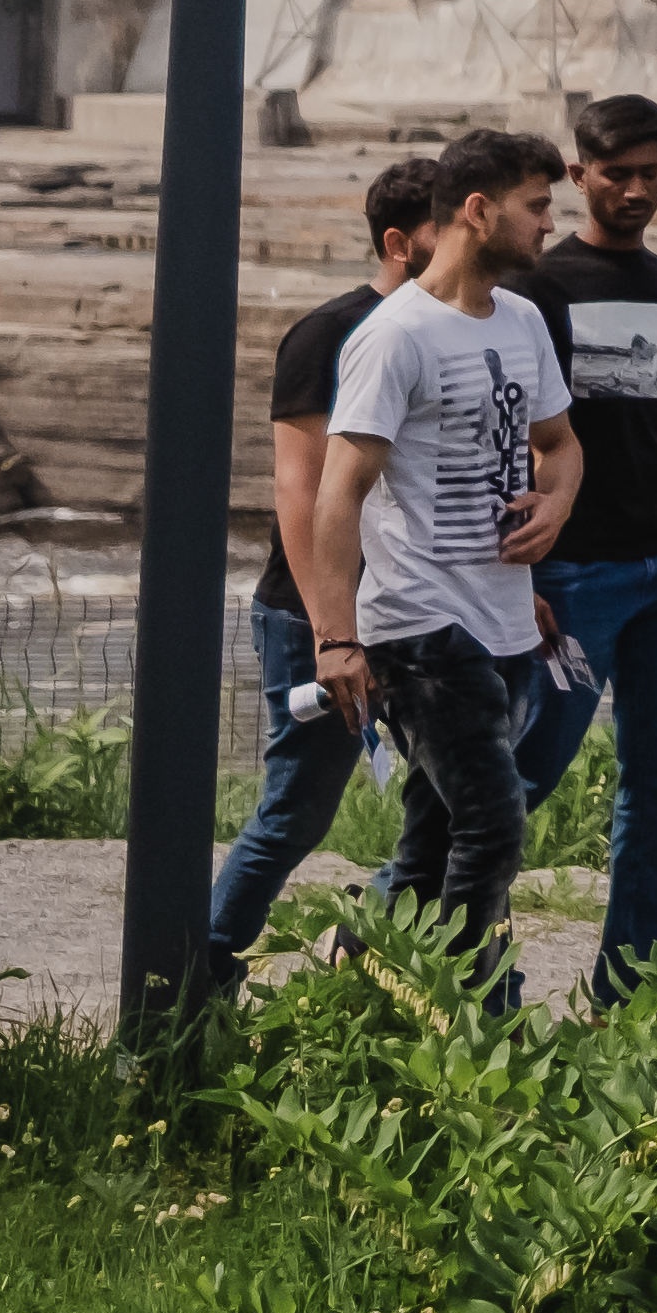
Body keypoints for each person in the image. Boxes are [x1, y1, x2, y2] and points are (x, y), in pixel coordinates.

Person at [306, 126, 581, 987]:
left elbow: (560, 444)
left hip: (503, 618)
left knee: (430, 840)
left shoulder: (526, 320)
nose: (548, 225)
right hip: (420, 627)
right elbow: (337, 492)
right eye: (537, 207)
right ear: (477, 210)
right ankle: (465, 1005)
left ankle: (364, 958)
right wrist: (336, 639)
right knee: (495, 824)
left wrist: (557, 503)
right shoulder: (396, 337)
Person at [208, 151, 442, 969]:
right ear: (398, 242)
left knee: (462, 796)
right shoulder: (327, 334)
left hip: (416, 605)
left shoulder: (456, 328)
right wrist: (329, 628)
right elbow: (299, 491)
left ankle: (368, 935)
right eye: (444, 231)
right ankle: (197, 971)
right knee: (298, 812)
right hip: (315, 611)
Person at [502, 91, 657, 993]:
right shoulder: (536, 292)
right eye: (616, 174)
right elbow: (509, 439)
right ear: (580, 173)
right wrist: (524, 578)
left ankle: (627, 991)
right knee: (525, 772)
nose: (635, 190)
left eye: (651, 174)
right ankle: (403, 918)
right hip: (573, 577)